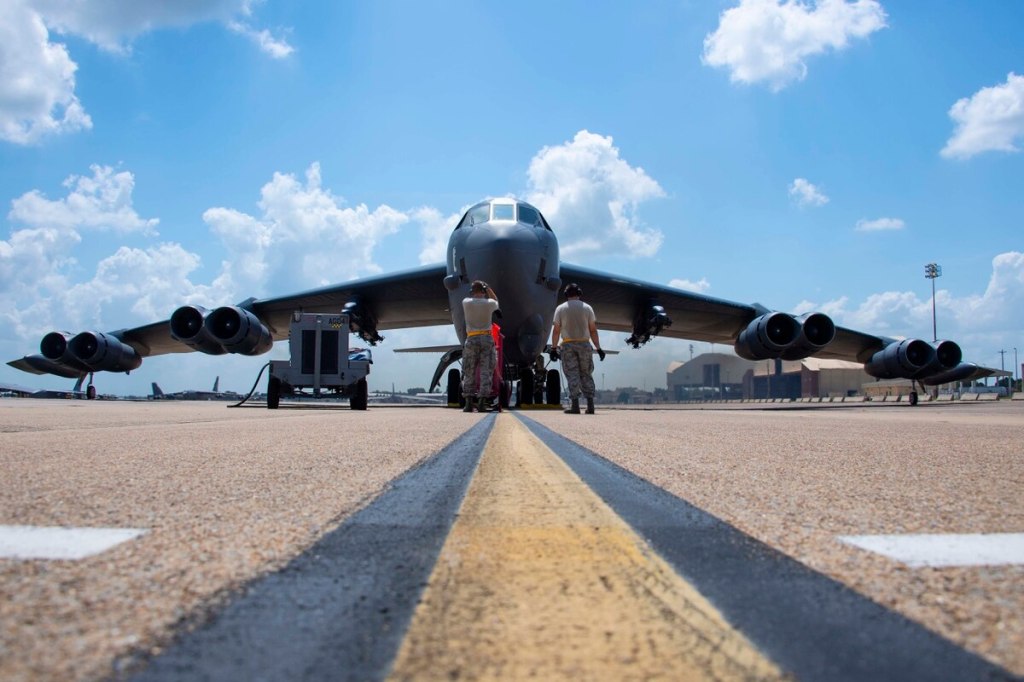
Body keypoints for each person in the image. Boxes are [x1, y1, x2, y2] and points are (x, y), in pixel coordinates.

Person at [550, 283, 604, 414]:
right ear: (579, 293)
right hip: (584, 344)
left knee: (572, 374)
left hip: (567, 345)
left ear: (566, 294)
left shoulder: (560, 309)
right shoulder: (588, 308)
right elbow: (593, 330)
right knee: (586, 373)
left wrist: (553, 348)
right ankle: (590, 406)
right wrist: (598, 348)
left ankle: (575, 406)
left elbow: (556, 331)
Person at [461, 280, 499, 412]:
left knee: (469, 370)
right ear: (483, 291)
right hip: (486, 338)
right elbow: (496, 301)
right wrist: (488, 288)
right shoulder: (490, 303)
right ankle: (482, 402)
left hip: (471, 338)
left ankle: (468, 403)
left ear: (472, 292)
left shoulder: (466, 302)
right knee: (486, 371)